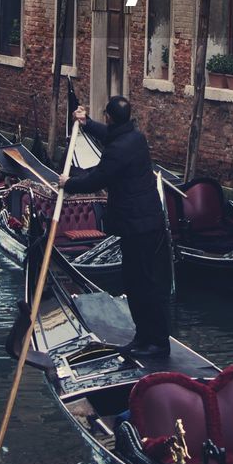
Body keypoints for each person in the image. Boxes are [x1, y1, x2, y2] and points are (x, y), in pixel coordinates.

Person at [60, 96, 171, 358]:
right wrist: (87, 123)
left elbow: (97, 178)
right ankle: (144, 336)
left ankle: (156, 343)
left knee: (141, 285)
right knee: (139, 283)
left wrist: (68, 182)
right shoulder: (135, 137)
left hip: (138, 226)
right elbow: (111, 134)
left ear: (109, 116)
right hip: (147, 222)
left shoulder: (118, 150)